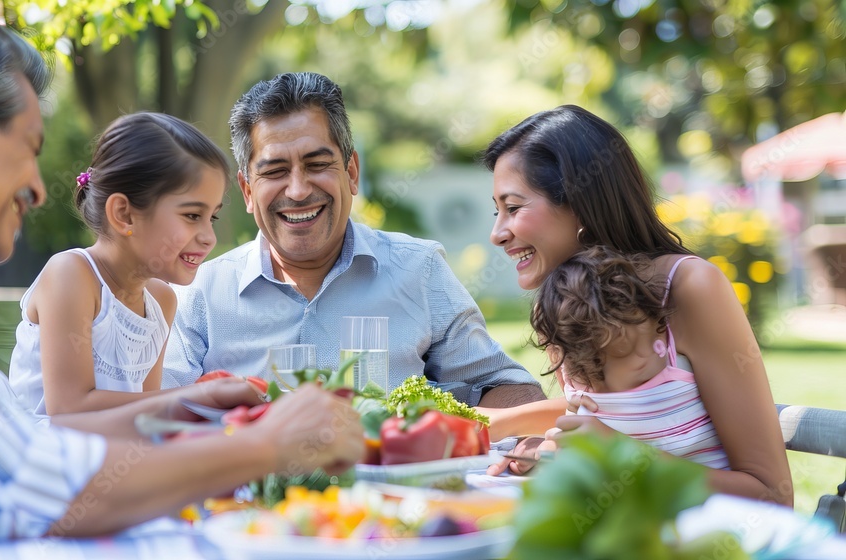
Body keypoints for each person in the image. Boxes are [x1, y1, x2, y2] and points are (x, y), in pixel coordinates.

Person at [0, 8, 362, 559]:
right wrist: (267, 445)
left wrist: (187, 405)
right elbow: (35, 488)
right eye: (28, 148)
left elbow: (23, 450)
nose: (38, 190)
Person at [162, 71, 550, 418]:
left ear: (351, 173)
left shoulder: (418, 270)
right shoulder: (201, 291)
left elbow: (511, 391)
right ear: (248, 190)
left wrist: (458, 426)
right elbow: (158, 413)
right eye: (276, 171)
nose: (297, 190)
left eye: (317, 165)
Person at [482, 105, 792, 505]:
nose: (496, 234)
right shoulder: (564, 307)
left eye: (513, 208)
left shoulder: (689, 287)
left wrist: (620, 457)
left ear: (580, 203)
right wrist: (540, 445)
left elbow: (771, 494)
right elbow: (614, 421)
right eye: (496, 211)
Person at [8, 112, 227, 414]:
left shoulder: (161, 301)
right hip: (42, 454)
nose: (209, 238)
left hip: (113, 455)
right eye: (192, 216)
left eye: (212, 217)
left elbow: (145, 418)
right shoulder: (72, 275)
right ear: (124, 214)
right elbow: (69, 410)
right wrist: (197, 399)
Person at [532, 245, 730, 469]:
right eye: (589, 371)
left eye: (620, 352)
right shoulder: (582, 389)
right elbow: (566, 445)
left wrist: (619, 448)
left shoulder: (677, 390)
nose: (602, 389)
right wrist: (546, 452)